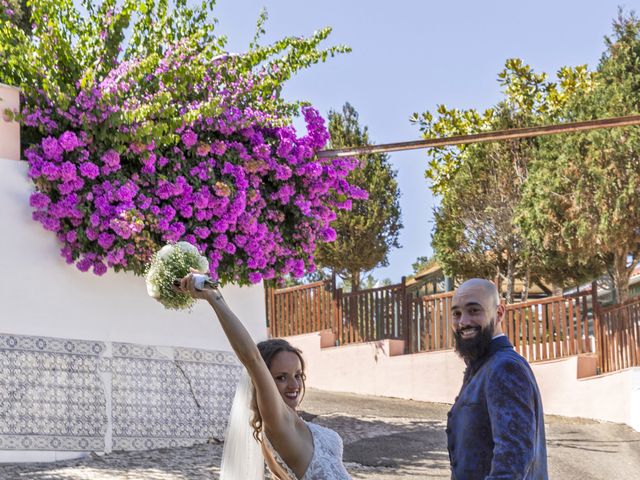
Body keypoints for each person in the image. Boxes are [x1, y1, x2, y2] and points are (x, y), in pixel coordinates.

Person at [179, 271, 352, 480]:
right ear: (263, 383)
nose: (293, 385)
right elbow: (252, 358)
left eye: (297, 375)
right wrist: (214, 297)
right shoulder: (278, 424)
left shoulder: (292, 425)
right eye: (281, 377)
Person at [447, 278, 548, 480]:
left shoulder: (504, 368)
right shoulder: (484, 365)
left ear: (499, 313)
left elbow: (512, 462)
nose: (463, 322)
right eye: (457, 314)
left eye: (474, 310)